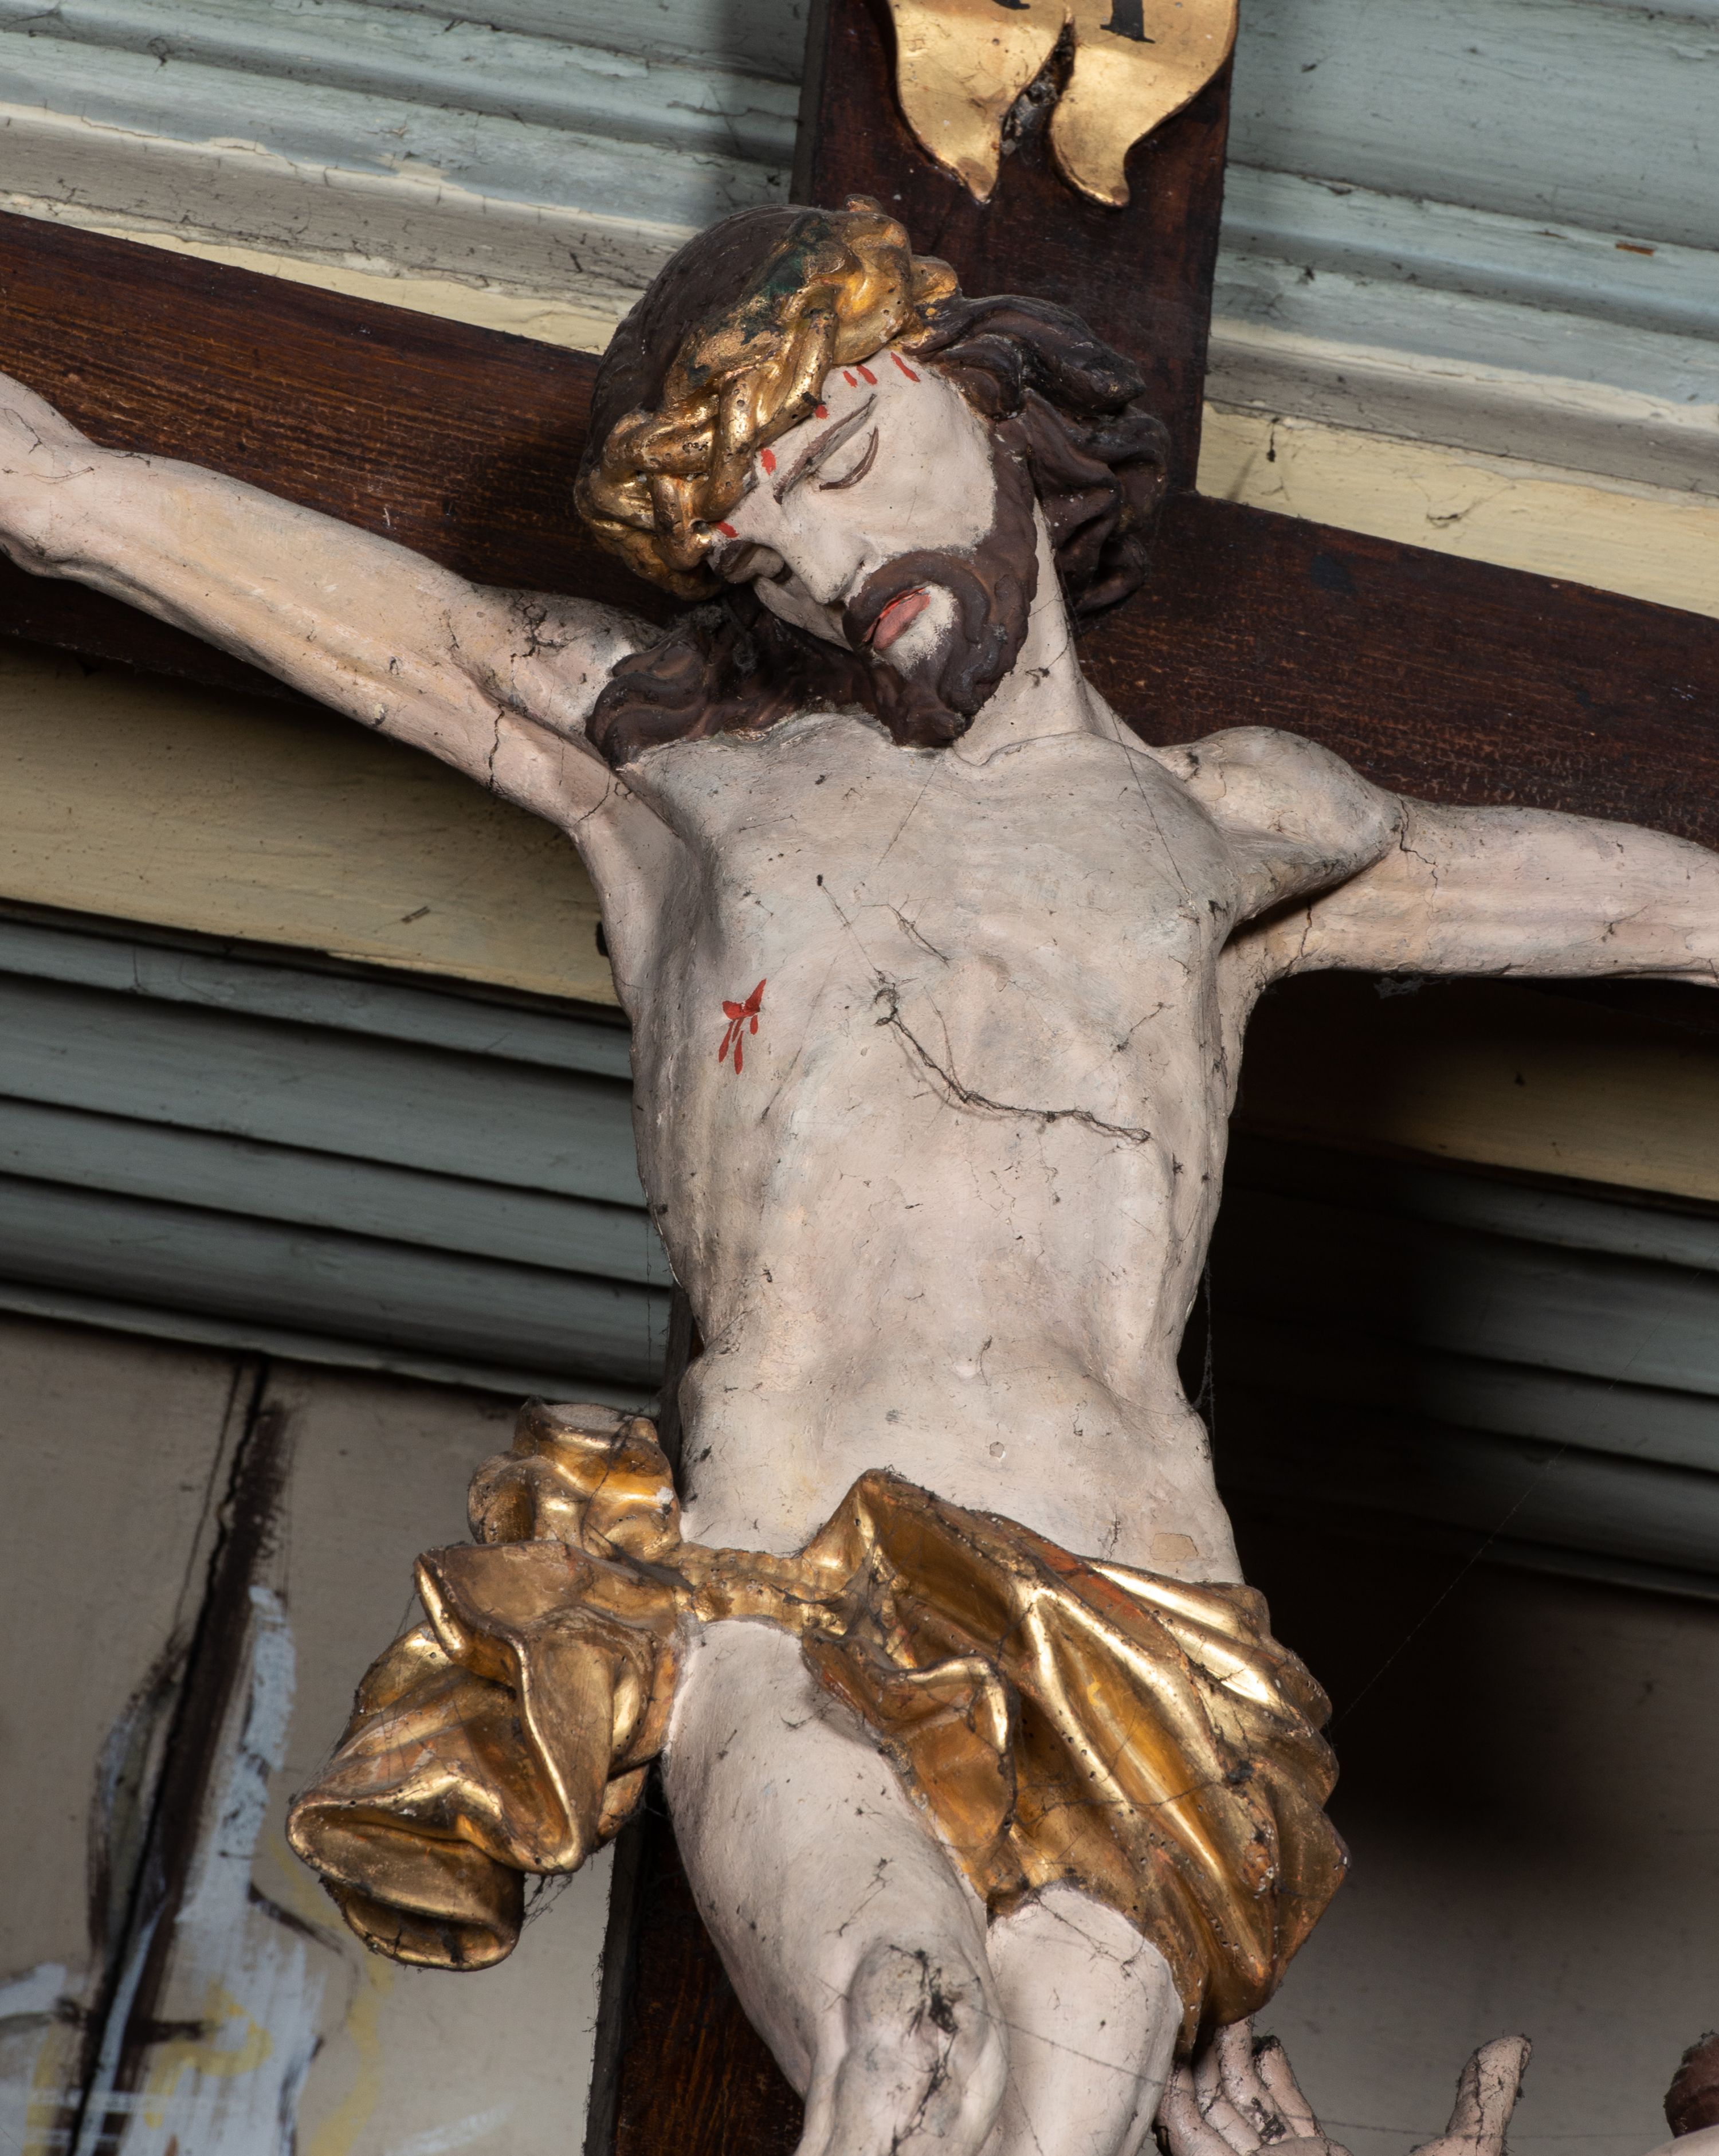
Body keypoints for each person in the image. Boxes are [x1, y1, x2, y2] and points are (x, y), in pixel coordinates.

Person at [2, 199, 1714, 2156]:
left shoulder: (1234, 822)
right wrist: (46, 491)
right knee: (906, 2039)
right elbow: (206, 551)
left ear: (980, 389)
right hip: (786, 1577)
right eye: (761, 553)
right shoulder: (682, 773)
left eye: (832, 465)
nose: (822, 570)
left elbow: (1624, 904)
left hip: (1144, 1627)